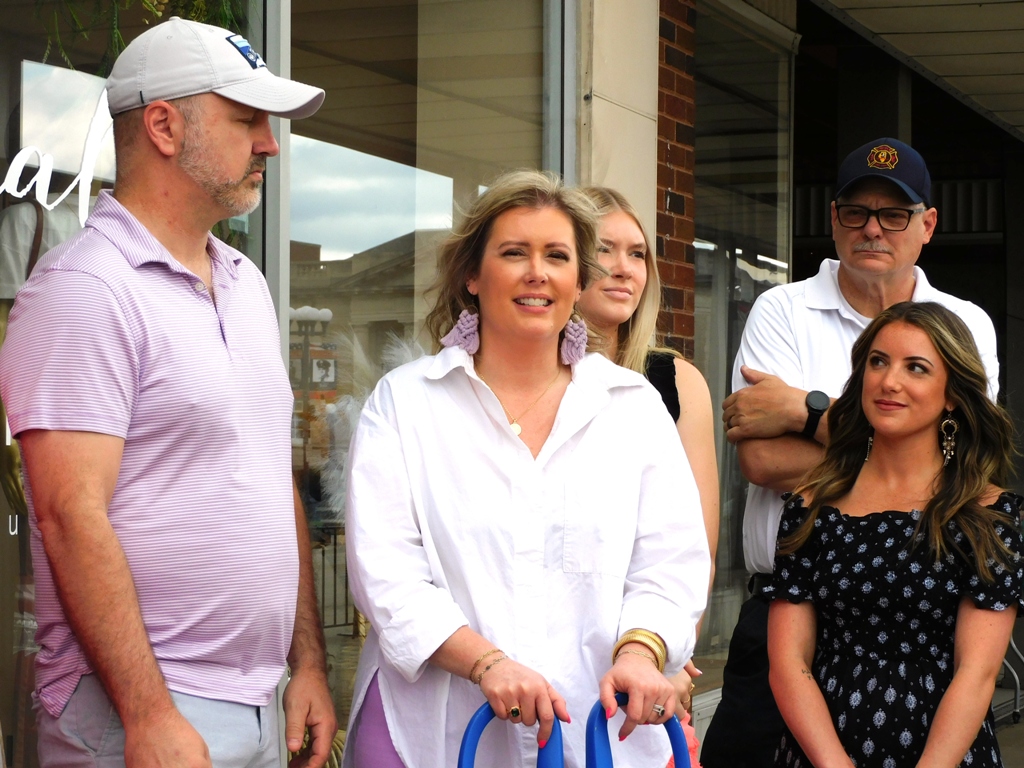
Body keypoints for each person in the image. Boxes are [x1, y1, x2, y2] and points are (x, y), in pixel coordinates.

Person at [0, 17, 336, 768]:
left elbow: (270, 481)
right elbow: (67, 516)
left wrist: (307, 663)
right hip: (139, 711)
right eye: (246, 120)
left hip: (260, 701)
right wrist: (148, 714)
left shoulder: (246, 284)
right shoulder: (85, 289)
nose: (270, 144)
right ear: (162, 126)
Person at [343, 170, 711, 768]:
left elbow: (670, 563)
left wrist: (641, 653)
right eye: (514, 252)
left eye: (557, 256)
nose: (537, 272)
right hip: (434, 733)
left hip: (600, 736)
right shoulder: (406, 402)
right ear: (472, 275)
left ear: (578, 281)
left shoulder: (632, 406)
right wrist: (486, 663)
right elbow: (386, 573)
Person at [702, 137, 1000, 768]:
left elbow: (962, 464)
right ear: (834, 219)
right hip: (787, 606)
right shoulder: (782, 309)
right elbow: (761, 463)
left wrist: (804, 411)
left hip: (927, 623)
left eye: (893, 214)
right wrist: (901, 450)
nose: (872, 229)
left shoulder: (966, 323)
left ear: (927, 225)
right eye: (856, 212)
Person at [765, 301, 1022, 766]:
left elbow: (977, 673)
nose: (889, 381)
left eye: (916, 367)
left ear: (952, 394)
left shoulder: (988, 515)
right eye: (878, 361)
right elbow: (788, 662)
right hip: (819, 750)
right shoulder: (811, 505)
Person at [576, 186, 719, 717]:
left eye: (637, 254)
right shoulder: (526, 380)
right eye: (604, 249)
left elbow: (694, 546)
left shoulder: (675, 379)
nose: (624, 268)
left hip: (648, 655)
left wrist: (670, 653)